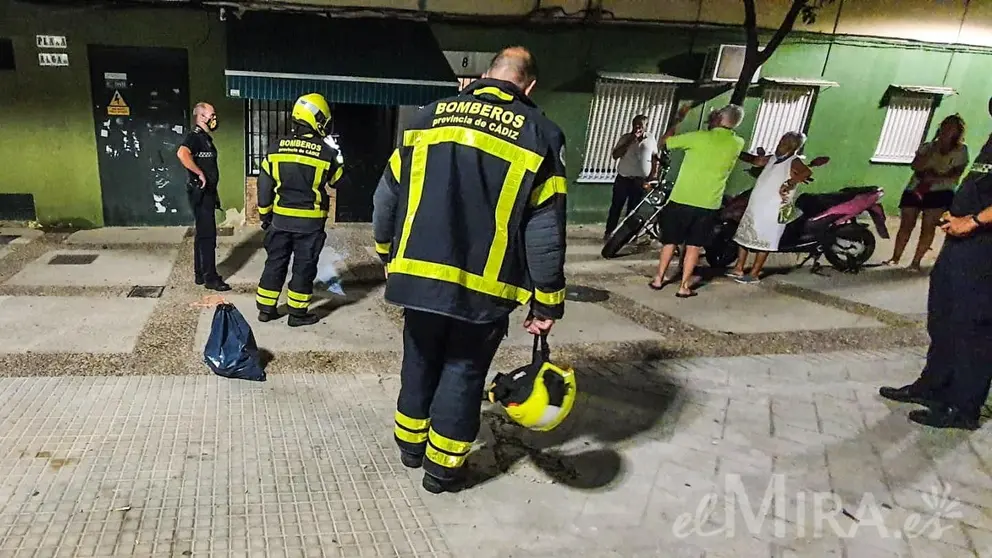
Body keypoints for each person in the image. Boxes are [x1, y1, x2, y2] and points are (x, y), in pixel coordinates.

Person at [372, 46, 567, 494]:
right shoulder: (541, 134)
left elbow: (384, 199)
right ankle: (440, 471)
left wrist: (387, 255)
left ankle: (410, 447)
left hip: (418, 278)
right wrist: (547, 302)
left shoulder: (426, 119)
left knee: (419, 360)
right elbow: (544, 231)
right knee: (462, 372)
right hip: (484, 291)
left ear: (486, 74)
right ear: (529, 86)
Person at [878, 98, 992, 430]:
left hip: (984, 247)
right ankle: (934, 385)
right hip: (962, 242)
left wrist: (974, 220)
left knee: (973, 326)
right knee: (943, 316)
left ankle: (963, 407)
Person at [255, 93, 345, 327]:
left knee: (275, 262)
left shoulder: (275, 148)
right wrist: (337, 153)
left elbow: (264, 186)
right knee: (304, 267)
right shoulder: (326, 153)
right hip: (310, 225)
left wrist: (265, 214)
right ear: (317, 119)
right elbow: (338, 180)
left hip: (280, 221)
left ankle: (266, 309)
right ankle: (297, 314)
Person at [649, 105, 746, 297]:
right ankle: (683, 286)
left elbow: (664, 143)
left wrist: (678, 119)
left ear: (718, 118)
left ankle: (659, 279)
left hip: (681, 198)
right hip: (708, 204)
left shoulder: (697, 137)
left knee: (670, 242)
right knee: (694, 246)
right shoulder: (737, 143)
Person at [885, 114, 969, 271]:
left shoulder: (961, 150)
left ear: (958, 131)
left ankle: (916, 262)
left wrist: (936, 176)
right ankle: (895, 257)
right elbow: (915, 165)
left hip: (940, 191)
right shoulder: (928, 146)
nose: (947, 130)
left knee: (928, 226)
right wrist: (932, 151)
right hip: (916, 187)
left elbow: (957, 172)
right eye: (945, 126)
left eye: (951, 127)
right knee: (906, 224)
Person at [729, 132, 812, 284]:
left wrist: (790, 182)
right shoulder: (773, 158)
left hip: (773, 207)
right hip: (757, 205)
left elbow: (806, 172)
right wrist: (735, 150)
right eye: (781, 141)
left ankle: (754, 274)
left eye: (784, 142)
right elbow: (756, 160)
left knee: (766, 239)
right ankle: (738, 268)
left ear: (793, 146)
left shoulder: (794, 161)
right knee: (744, 235)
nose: (780, 144)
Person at [177, 102, 230, 291]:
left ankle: (200, 274)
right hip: (200, 192)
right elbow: (182, 154)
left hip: (207, 193)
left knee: (202, 234)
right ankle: (211, 278)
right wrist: (199, 173)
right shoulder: (194, 137)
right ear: (201, 116)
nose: (215, 118)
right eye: (212, 115)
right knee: (208, 236)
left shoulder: (205, 138)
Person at [604, 114, 659, 240]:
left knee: (633, 210)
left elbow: (655, 158)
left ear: (646, 126)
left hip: (640, 181)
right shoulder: (625, 138)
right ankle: (609, 233)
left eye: (640, 125)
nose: (637, 128)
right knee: (616, 207)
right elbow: (615, 155)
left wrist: (653, 175)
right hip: (623, 179)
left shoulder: (651, 139)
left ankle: (627, 236)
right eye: (635, 125)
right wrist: (630, 141)